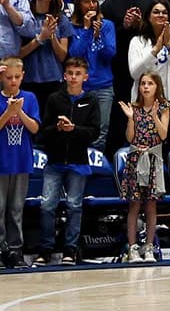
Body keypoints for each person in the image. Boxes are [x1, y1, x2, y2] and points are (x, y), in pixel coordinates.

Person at [36, 58, 99, 266]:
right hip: (54, 161)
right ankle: (45, 250)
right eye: (70, 73)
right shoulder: (54, 99)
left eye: (77, 73)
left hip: (78, 162)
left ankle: (70, 250)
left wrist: (74, 130)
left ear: (85, 77)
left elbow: (94, 132)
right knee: (47, 205)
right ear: (64, 75)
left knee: (74, 206)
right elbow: (42, 132)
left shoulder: (91, 100)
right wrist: (58, 128)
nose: (73, 77)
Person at [119, 72, 170, 264]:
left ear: (157, 86)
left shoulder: (164, 107)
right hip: (136, 159)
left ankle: (149, 247)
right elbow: (129, 137)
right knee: (134, 204)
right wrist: (131, 119)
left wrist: (154, 116)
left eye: (150, 83)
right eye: (143, 83)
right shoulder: (134, 107)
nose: (146, 87)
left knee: (151, 204)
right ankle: (133, 248)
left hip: (153, 159)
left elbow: (163, 135)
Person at [0, 57, 39, 269]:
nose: (13, 81)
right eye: (9, 77)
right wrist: (8, 112)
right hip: (2, 163)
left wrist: (19, 112)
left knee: (16, 209)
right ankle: (1, 249)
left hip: (21, 162)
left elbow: (34, 128)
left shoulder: (29, 98)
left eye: (16, 77)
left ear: (23, 76)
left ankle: (15, 250)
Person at [67, 0, 116, 150]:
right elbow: (75, 56)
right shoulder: (72, 27)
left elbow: (109, 54)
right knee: (78, 127)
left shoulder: (107, 25)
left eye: (94, 1)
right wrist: (87, 30)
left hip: (103, 86)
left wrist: (98, 35)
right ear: (79, 4)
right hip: (80, 87)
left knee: (102, 129)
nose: (91, 5)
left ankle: (96, 162)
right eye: (86, 1)